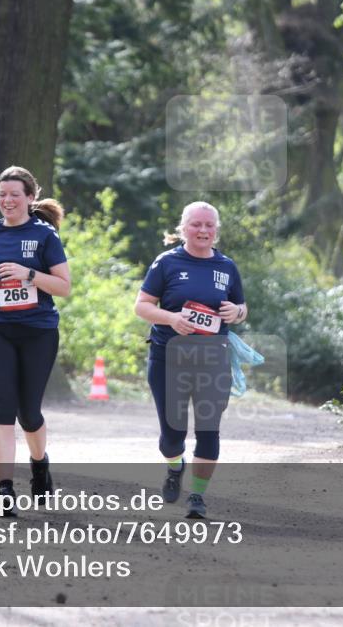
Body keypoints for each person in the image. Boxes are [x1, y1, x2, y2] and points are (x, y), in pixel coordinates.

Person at [134, 201, 247, 518]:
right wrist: (171, 318)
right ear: (183, 228)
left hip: (213, 358)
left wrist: (237, 312)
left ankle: (197, 496)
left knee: (209, 430)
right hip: (168, 358)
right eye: (196, 224)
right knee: (172, 437)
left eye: (209, 225)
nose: (203, 230)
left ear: (216, 230)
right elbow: (142, 306)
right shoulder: (166, 263)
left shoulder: (227, 267)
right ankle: (174, 466)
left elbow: (241, 307)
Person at [0, 165, 70, 516]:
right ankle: (5, 489)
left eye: (15, 194)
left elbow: (64, 287)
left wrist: (28, 273)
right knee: (2, 407)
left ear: (30, 198)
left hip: (37, 331)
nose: (7, 200)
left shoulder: (45, 236)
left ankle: (39, 463)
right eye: (2, 194)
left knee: (28, 413)